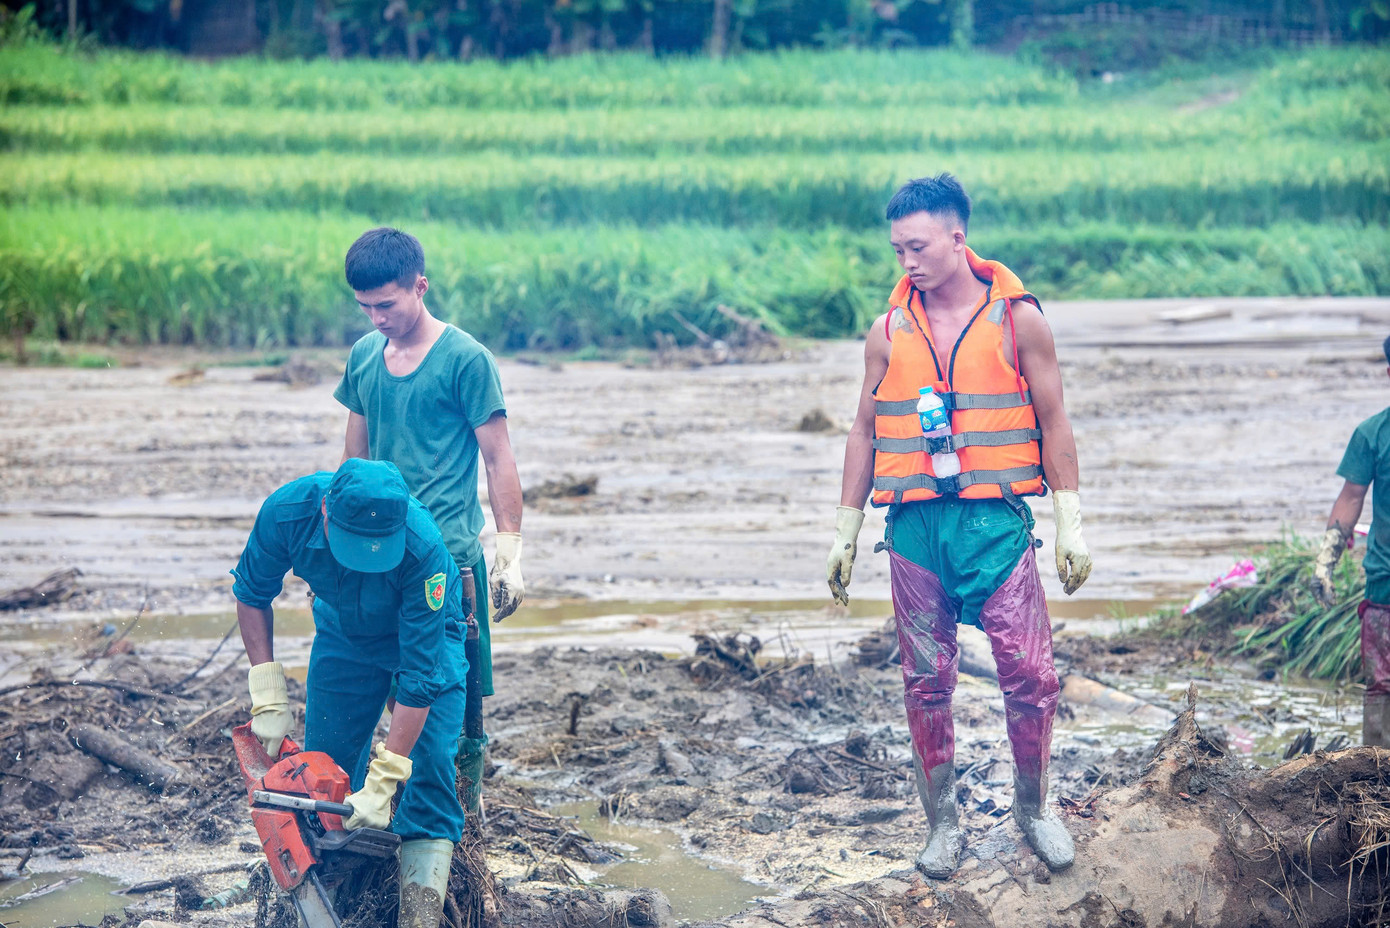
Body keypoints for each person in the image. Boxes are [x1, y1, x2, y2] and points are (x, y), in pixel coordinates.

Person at [825, 174, 1093, 877]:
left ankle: (1033, 811)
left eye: (917, 246)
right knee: (924, 679)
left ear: (957, 237)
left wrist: (1069, 519)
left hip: (995, 528)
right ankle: (943, 823)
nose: (906, 262)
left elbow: (1054, 417)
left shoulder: (1018, 320)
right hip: (914, 531)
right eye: (896, 250)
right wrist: (845, 528)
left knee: (1031, 675)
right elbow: (862, 429)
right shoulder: (887, 332)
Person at [333, 227, 524, 818]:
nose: (376, 318)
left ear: (420, 287)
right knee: (385, 687)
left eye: (387, 305)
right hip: (376, 556)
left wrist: (510, 551)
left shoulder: (465, 359)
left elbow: (498, 457)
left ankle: (464, 814)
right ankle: (389, 804)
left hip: (446, 559)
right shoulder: (364, 357)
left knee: (451, 697)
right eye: (365, 307)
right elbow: (353, 463)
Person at [233, 458, 467, 928]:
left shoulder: (424, 549)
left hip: (421, 637)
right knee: (324, 771)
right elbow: (253, 592)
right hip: (343, 635)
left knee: (432, 763)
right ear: (325, 512)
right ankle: (328, 905)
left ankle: (419, 917)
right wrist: (268, 693)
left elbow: (420, 679)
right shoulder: (288, 512)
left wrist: (385, 779)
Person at [1311, 334, 1390, 748]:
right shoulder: (1372, 434)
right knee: (1380, 686)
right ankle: (1377, 780)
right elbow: (1351, 497)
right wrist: (1325, 562)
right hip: (1385, 585)